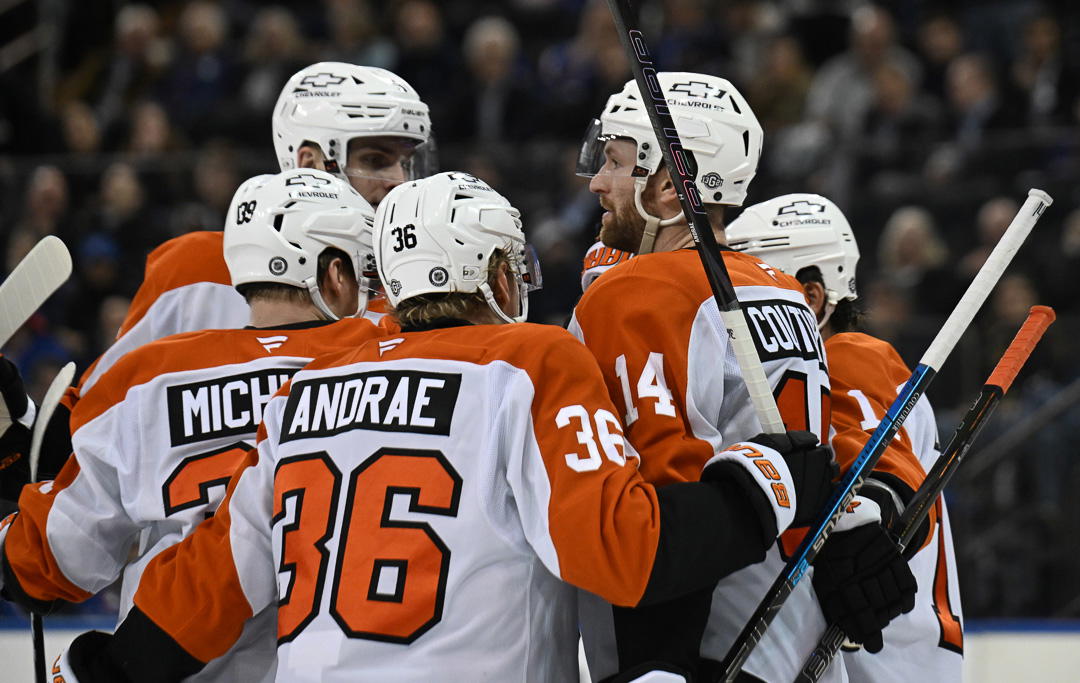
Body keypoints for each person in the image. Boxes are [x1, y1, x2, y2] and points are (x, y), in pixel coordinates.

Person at [47, 172, 836, 683]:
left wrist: (114, 669)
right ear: (497, 274)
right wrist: (766, 482)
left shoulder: (305, 391)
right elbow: (624, 551)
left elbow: (216, 577)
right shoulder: (531, 359)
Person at [571, 72, 912, 682]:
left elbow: (655, 499)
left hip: (701, 654)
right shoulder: (782, 291)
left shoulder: (633, 294)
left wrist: (656, 661)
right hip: (796, 641)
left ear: (672, 187)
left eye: (616, 163)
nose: (598, 181)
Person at [0, 168, 389, 682]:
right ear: (336, 275)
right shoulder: (383, 368)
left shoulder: (148, 377)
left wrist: (11, 456)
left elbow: (49, 560)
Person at [21, 62, 434, 484]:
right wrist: (27, 434)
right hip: (187, 544)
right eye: (377, 159)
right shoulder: (196, 269)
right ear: (310, 161)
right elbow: (98, 426)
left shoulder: (419, 287)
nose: (399, 181)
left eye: (405, 162)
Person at [727, 193, 960, 681]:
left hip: (880, 662)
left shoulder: (848, 354)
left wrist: (877, 504)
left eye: (755, 280)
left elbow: (885, 478)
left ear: (811, 298)